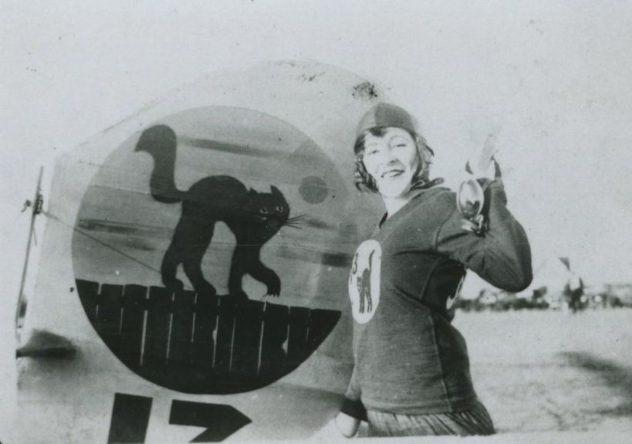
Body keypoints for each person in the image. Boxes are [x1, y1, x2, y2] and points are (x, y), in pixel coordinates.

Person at [334, 103, 532, 437]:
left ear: (421, 153)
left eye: (399, 144)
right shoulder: (379, 229)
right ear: (365, 164)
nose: (387, 158)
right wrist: (354, 402)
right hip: (381, 413)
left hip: (433, 416)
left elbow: (513, 273)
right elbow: (374, 325)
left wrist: (487, 187)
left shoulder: (438, 206)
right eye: (373, 150)